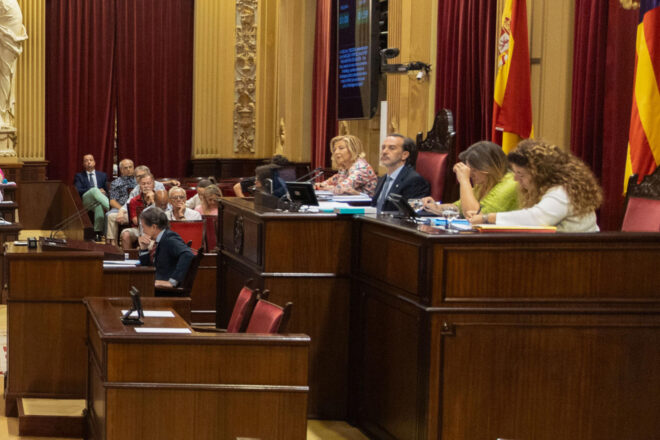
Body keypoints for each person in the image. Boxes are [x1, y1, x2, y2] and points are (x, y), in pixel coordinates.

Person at [469, 139, 603, 232]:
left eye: (521, 174)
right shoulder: (543, 189)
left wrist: (489, 218)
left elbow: (536, 218)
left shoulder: (562, 191)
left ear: (539, 174)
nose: (516, 179)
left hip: (579, 256)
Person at [422, 141, 518, 216]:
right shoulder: (485, 182)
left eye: (474, 170)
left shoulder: (510, 183)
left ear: (487, 168)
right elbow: (458, 207)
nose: (470, 174)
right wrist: (434, 207)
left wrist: (464, 181)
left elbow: (473, 215)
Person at [138, 207, 195, 290]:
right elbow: (148, 268)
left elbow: (188, 254)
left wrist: (173, 281)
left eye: (144, 227)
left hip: (164, 289)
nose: (143, 231)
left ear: (154, 227)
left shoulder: (169, 238)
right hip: (156, 282)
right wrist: (144, 249)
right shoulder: (161, 239)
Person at [371, 134, 430, 212]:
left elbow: (410, 213)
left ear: (404, 155)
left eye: (391, 148)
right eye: (383, 147)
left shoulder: (414, 181)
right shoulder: (383, 178)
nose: (384, 152)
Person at [73, 154, 109, 240]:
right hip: (86, 201)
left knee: (99, 207)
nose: (89, 162)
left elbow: (106, 191)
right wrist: (95, 189)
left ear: (94, 162)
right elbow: (78, 190)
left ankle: (97, 233)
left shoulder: (102, 175)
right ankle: (110, 207)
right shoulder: (79, 176)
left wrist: (103, 192)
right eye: (86, 160)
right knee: (94, 190)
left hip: (99, 201)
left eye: (90, 160)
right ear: (83, 164)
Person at [120, 173, 155, 250]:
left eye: (148, 183)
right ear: (140, 186)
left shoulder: (159, 198)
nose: (146, 186)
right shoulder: (134, 200)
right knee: (125, 234)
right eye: (143, 184)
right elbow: (135, 221)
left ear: (153, 185)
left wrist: (152, 201)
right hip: (138, 229)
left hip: (155, 229)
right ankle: (129, 258)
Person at [105, 158, 135, 245]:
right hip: (120, 207)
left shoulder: (139, 181)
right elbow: (112, 201)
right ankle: (112, 244)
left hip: (135, 207)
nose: (129, 169)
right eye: (126, 168)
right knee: (109, 215)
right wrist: (122, 209)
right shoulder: (116, 182)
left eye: (130, 167)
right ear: (121, 170)